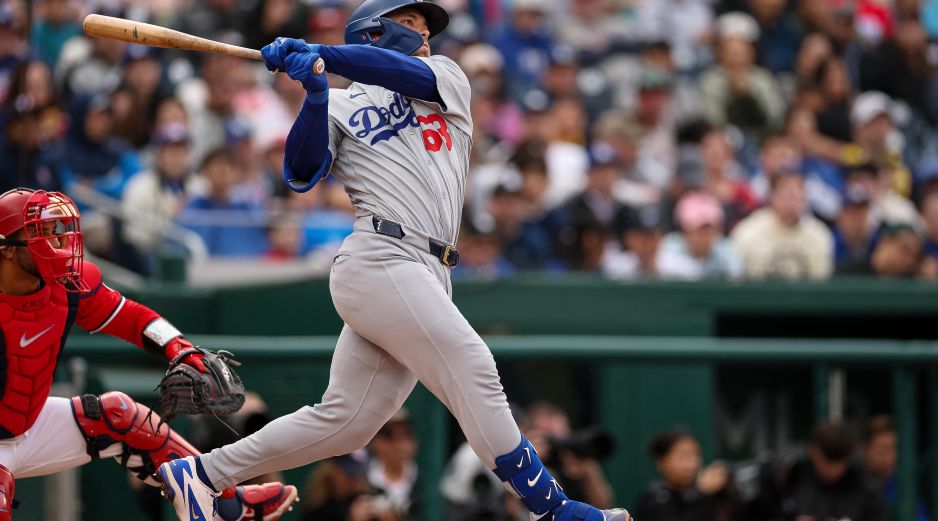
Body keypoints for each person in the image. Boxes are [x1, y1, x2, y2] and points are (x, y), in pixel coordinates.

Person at [157, 2, 631, 521]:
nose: (426, 34)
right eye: (410, 24)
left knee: (347, 423)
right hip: (381, 255)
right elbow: (299, 173)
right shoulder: (339, 102)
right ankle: (554, 510)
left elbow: (393, 69)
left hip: (429, 268)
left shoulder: (445, 76)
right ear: (372, 32)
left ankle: (201, 474)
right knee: (473, 365)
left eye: (426, 26)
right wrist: (315, 95)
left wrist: (325, 55)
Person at [0, 187, 297, 520]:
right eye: (41, 234)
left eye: (57, 232)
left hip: (30, 423)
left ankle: (224, 502)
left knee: (120, 415)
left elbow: (132, 317)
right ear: (7, 250)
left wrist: (178, 346)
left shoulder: (68, 285)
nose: (58, 244)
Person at [741, 421, 886, 521]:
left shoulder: (865, 484)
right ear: (813, 451)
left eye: (840, 463)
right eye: (827, 461)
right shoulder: (788, 475)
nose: (833, 470)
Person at [634, 430, 731, 521]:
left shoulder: (702, 494)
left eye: (695, 455)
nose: (691, 462)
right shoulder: (653, 502)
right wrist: (701, 493)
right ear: (661, 462)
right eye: (683, 455)